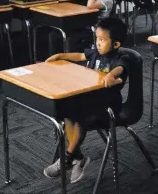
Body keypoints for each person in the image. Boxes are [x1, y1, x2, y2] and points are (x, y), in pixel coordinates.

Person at [43, 18, 128, 184]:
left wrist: (111, 75)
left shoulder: (119, 57)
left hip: (108, 105)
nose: (97, 43)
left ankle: (67, 157)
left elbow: (121, 68)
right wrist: (61, 55)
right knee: (67, 114)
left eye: (102, 40)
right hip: (89, 100)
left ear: (115, 44)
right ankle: (78, 157)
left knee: (81, 120)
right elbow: (80, 55)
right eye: (97, 39)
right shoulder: (95, 53)